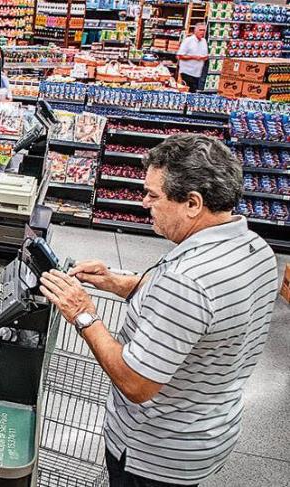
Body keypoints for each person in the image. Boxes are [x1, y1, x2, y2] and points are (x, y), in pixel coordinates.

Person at [39, 134, 279, 487]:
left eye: (153, 195)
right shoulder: (255, 248)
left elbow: (136, 382)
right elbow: (204, 320)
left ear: (193, 203)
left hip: (153, 453)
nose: (144, 203)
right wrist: (118, 283)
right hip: (208, 428)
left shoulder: (189, 281)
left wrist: (82, 312)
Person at [177, 23, 208, 93]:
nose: (202, 32)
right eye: (200, 30)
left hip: (197, 73)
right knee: (187, 92)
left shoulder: (204, 41)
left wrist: (204, 58)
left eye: (204, 30)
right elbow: (179, 56)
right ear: (195, 31)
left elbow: (205, 55)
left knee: (193, 93)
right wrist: (193, 57)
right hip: (187, 72)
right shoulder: (188, 40)